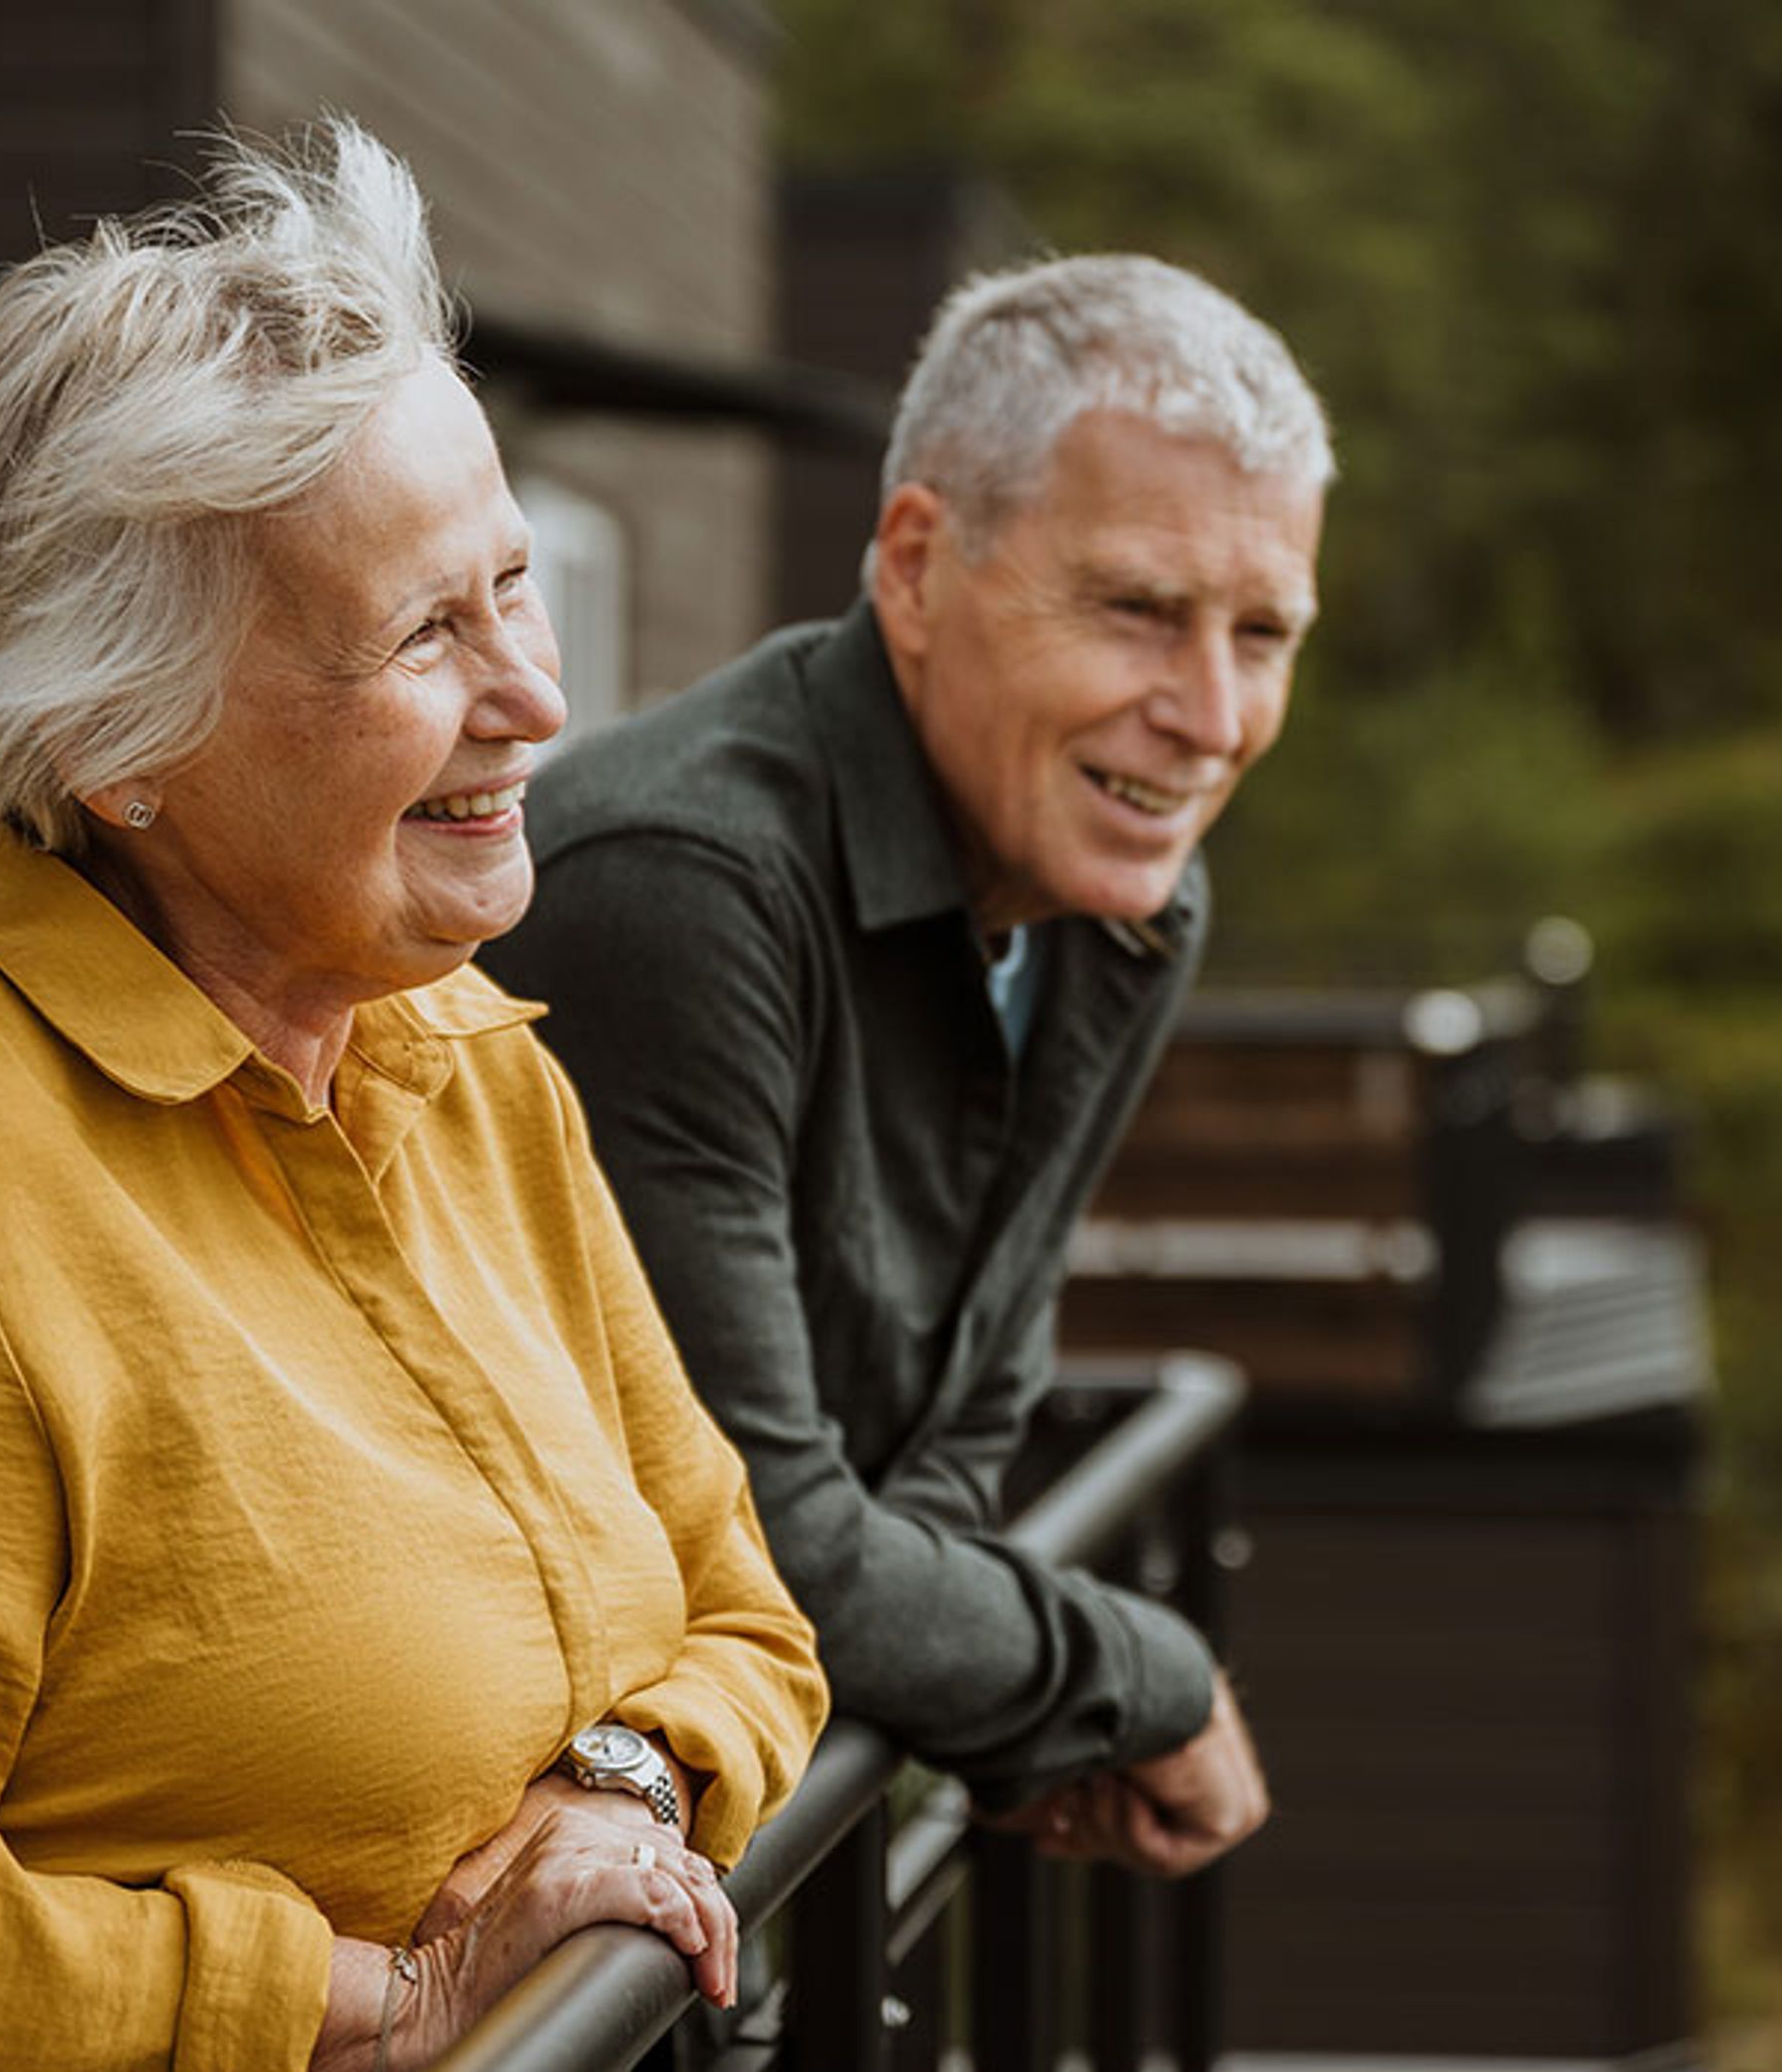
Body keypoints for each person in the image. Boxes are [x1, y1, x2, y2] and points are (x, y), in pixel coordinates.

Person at [0, 120, 826, 2072]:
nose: (537, 695)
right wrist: (395, 2001)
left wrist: (617, 1793)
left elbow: (745, 1616)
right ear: (120, 746)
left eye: (520, 586)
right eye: (430, 629)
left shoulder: (472, 1063)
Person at [483, 256, 1327, 1877]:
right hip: (506, 1853)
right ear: (921, 568)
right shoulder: (681, 885)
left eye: (1266, 632)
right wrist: (1129, 1680)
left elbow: (962, 1406)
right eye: (1141, 609)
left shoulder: (1118, 883)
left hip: (733, 1800)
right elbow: (753, 1539)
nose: (1212, 716)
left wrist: (985, 1687)